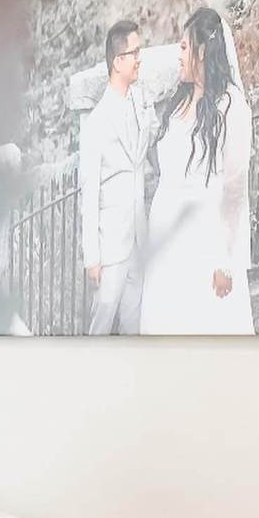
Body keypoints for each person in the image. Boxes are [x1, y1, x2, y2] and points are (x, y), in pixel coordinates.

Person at [139, 8, 255, 335]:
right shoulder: (180, 101)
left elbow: (234, 190)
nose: (179, 55)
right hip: (167, 242)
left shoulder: (232, 106)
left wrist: (224, 261)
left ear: (202, 51)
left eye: (184, 47)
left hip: (204, 242)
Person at [80, 19, 156, 335]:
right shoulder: (96, 122)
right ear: (117, 62)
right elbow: (89, 193)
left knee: (133, 324)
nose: (140, 58)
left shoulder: (140, 103)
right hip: (110, 246)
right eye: (134, 52)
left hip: (138, 237)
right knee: (101, 323)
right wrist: (92, 258)